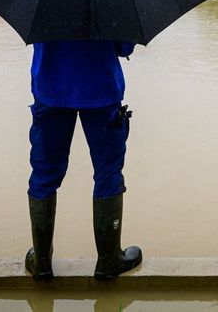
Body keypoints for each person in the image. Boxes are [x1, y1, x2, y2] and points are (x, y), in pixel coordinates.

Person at [25, 39, 142, 282]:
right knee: (108, 174)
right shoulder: (112, 0)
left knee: (44, 174)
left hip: (51, 89)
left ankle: (43, 263)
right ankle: (108, 260)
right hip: (100, 89)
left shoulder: (43, 1)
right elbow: (124, 47)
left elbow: (34, 35)